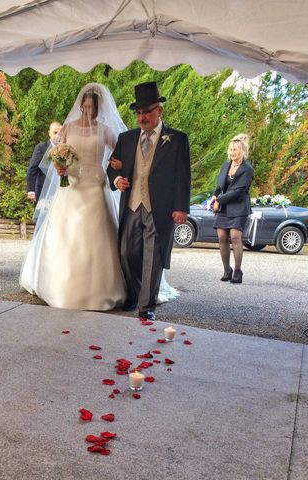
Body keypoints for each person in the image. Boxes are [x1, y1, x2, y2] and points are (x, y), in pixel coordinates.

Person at [19, 83, 126, 310]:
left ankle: (102, 288)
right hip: (72, 184)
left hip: (96, 185)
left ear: (98, 109)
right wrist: (59, 166)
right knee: (66, 233)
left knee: (97, 235)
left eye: (92, 109)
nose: (88, 112)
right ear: (80, 106)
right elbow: (55, 153)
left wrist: (117, 163)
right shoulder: (68, 128)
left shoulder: (104, 130)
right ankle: (61, 285)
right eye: (85, 107)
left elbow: (120, 151)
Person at [107, 81, 191, 321]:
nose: (142, 117)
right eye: (139, 113)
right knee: (126, 253)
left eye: (147, 112)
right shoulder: (126, 138)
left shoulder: (177, 139)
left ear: (159, 111)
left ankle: (146, 306)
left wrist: (180, 207)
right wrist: (117, 180)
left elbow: (183, 176)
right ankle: (134, 294)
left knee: (153, 256)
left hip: (160, 207)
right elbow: (111, 168)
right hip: (132, 205)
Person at [210, 134, 254, 284]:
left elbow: (238, 191)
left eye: (235, 150)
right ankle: (226, 269)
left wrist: (218, 200)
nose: (232, 152)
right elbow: (219, 185)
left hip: (239, 207)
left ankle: (237, 271)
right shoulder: (226, 165)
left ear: (242, 151)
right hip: (224, 207)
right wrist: (214, 196)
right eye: (230, 150)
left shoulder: (247, 169)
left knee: (235, 237)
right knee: (222, 237)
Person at [27, 122, 62, 203]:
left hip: (60, 189)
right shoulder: (41, 147)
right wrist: (31, 190)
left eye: (60, 133)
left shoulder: (66, 149)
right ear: (49, 133)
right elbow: (32, 168)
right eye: (55, 133)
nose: (57, 136)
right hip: (43, 189)